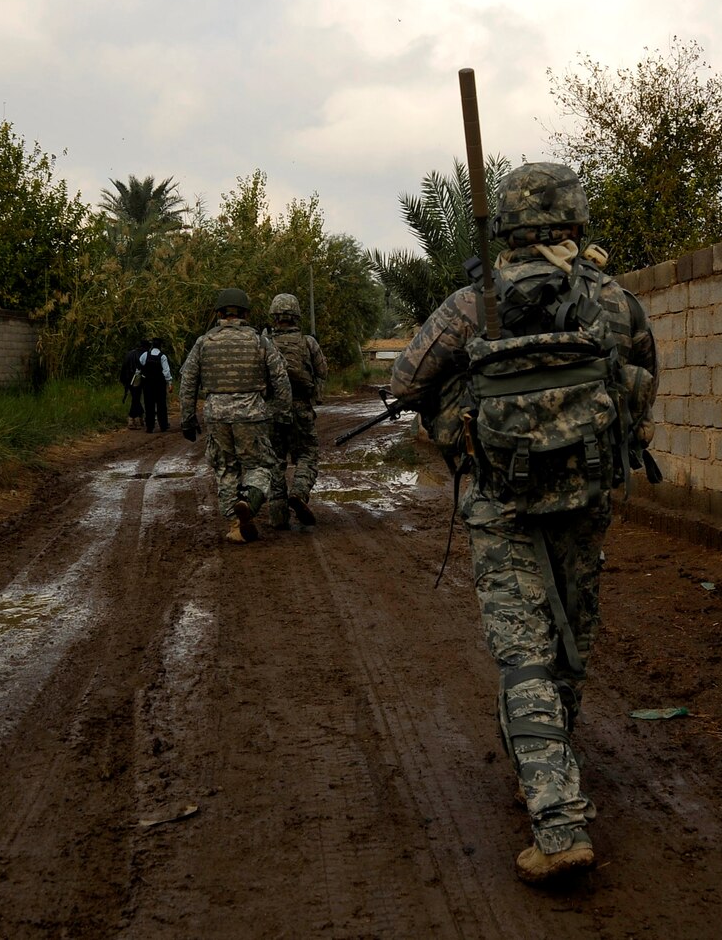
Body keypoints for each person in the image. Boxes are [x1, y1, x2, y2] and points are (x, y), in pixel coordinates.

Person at [387, 161, 656, 884]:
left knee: (524, 653)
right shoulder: (615, 300)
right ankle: (549, 762)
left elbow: (406, 381)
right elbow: (643, 390)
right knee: (571, 637)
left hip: (501, 502)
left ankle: (557, 818)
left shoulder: (474, 304)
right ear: (575, 221)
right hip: (588, 497)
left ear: (505, 224)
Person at [178, 288, 290, 543]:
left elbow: (188, 381)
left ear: (218, 313)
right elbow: (280, 378)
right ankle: (249, 502)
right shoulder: (259, 341)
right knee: (261, 466)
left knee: (225, 468)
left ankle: (235, 524)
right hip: (251, 414)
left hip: (216, 415)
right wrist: (280, 411)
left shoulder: (204, 342)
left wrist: (187, 418)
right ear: (246, 314)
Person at [263, 293, 326, 531]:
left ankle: (278, 514)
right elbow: (322, 371)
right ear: (296, 315)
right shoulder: (308, 342)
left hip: (272, 410)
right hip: (300, 408)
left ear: (275, 316)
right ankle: (299, 492)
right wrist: (316, 397)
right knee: (307, 455)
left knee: (274, 461)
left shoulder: (264, 342)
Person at [138, 338, 173, 433]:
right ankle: (163, 425)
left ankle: (150, 427)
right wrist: (169, 383)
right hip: (159, 384)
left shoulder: (145, 355)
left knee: (149, 405)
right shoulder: (162, 356)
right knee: (161, 405)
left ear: (152, 345)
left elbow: (140, 364)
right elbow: (166, 371)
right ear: (160, 346)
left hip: (147, 384)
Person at [120, 340, 147, 429]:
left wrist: (124, 381)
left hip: (128, 379)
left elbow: (123, 367)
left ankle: (139, 416)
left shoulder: (129, 354)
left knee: (136, 398)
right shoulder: (144, 354)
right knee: (136, 398)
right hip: (138, 379)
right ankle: (132, 417)